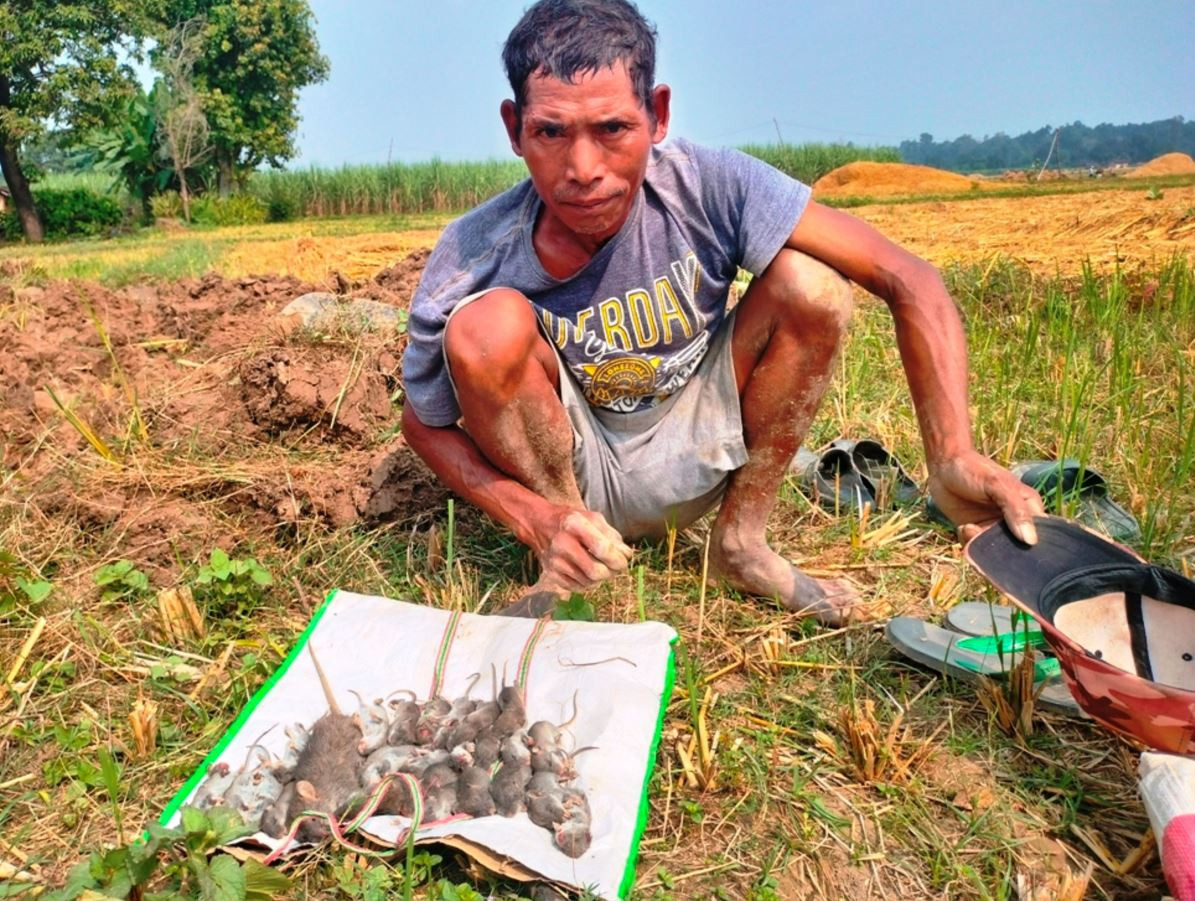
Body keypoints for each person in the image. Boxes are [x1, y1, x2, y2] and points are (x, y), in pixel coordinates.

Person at [401, 0, 1044, 625]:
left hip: (698, 439)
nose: (583, 169)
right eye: (550, 133)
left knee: (810, 283)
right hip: (573, 464)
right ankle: (572, 556)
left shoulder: (709, 186)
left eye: (612, 130)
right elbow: (423, 424)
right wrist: (531, 516)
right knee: (484, 328)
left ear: (656, 115)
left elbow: (908, 277)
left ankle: (740, 544)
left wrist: (953, 453)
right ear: (515, 129)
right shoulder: (473, 249)